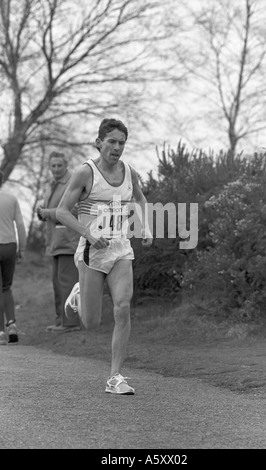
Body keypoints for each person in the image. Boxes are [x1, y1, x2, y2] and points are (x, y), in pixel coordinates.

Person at [56, 118, 153, 395]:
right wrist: (88, 234)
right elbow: (63, 211)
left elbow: (141, 198)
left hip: (121, 249)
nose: (117, 147)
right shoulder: (85, 173)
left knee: (123, 306)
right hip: (92, 252)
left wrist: (144, 227)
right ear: (99, 143)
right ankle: (79, 292)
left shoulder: (130, 172)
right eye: (111, 141)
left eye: (122, 142)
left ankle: (115, 377)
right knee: (91, 322)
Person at [37, 151, 81, 332]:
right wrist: (42, 213)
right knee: (57, 283)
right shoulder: (51, 185)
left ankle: (70, 323)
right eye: (53, 166)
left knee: (68, 283)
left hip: (68, 242)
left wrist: (46, 213)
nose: (56, 169)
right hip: (55, 242)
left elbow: (76, 211)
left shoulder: (72, 183)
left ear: (66, 165)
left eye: (59, 165)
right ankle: (60, 320)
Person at [0, 170, 27, 345]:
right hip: (10, 245)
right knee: (6, 287)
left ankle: (1, 332)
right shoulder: (11, 198)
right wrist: (21, 249)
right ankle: (12, 325)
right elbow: (20, 225)